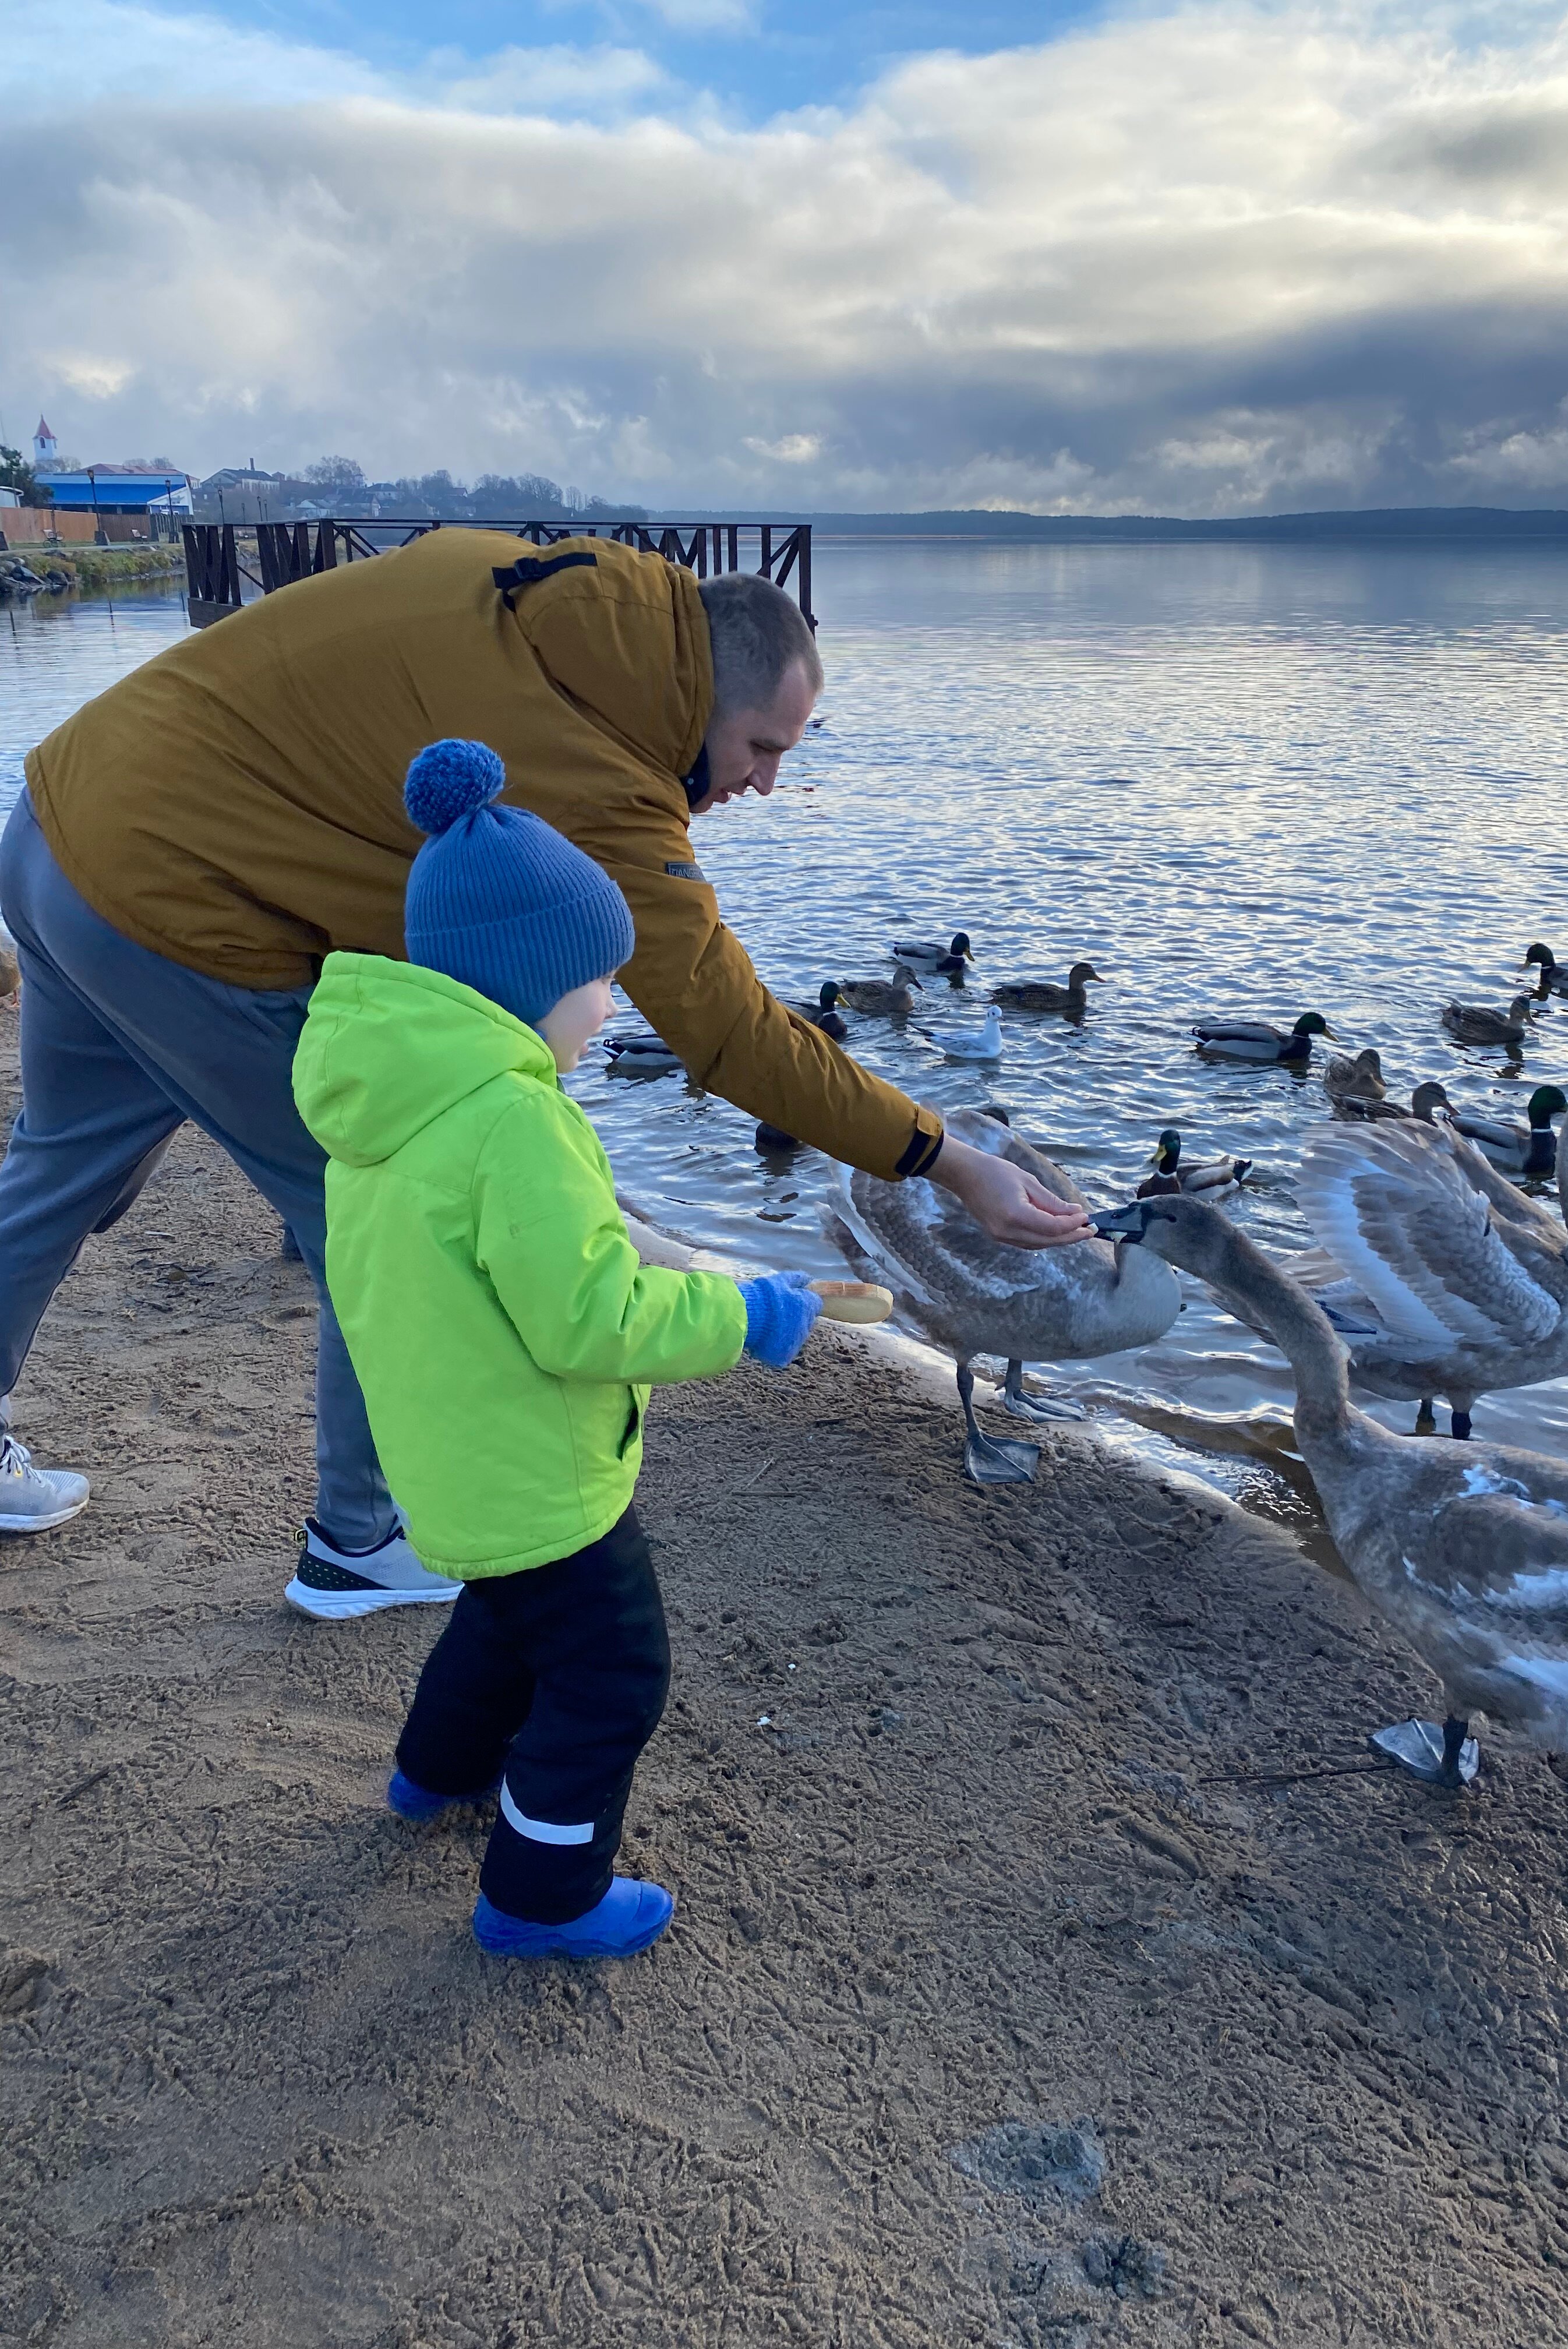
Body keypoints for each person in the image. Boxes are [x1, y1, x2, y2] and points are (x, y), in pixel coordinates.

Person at [0, 533, 1087, 1590]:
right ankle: (358, 1540)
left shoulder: (522, 577)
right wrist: (950, 1160)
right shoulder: (595, 774)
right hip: (172, 907)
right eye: (763, 748)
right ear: (705, 695)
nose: (764, 783)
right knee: (370, 1215)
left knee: (55, 1170)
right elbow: (732, 1033)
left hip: (58, 815)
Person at [296, 736, 821, 1959]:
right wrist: (744, 1317)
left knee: (504, 1624)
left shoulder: (393, 1104)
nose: (612, 1006)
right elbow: (592, 1319)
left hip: (453, 1458)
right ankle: (542, 1897)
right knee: (611, 1675)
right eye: (600, 981)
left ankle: (434, 1775)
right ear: (530, 981)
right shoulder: (515, 1120)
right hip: (540, 1473)